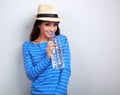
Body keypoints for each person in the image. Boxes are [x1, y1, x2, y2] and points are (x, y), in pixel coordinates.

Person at [22, 4, 71, 95]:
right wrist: (48, 57)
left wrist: (59, 93)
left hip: (59, 92)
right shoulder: (27, 46)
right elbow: (31, 75)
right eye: (47, 24)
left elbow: (66, 70)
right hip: (37, 92)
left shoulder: (61, 40)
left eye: (55, 25)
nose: (52, 29)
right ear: (39, 25)